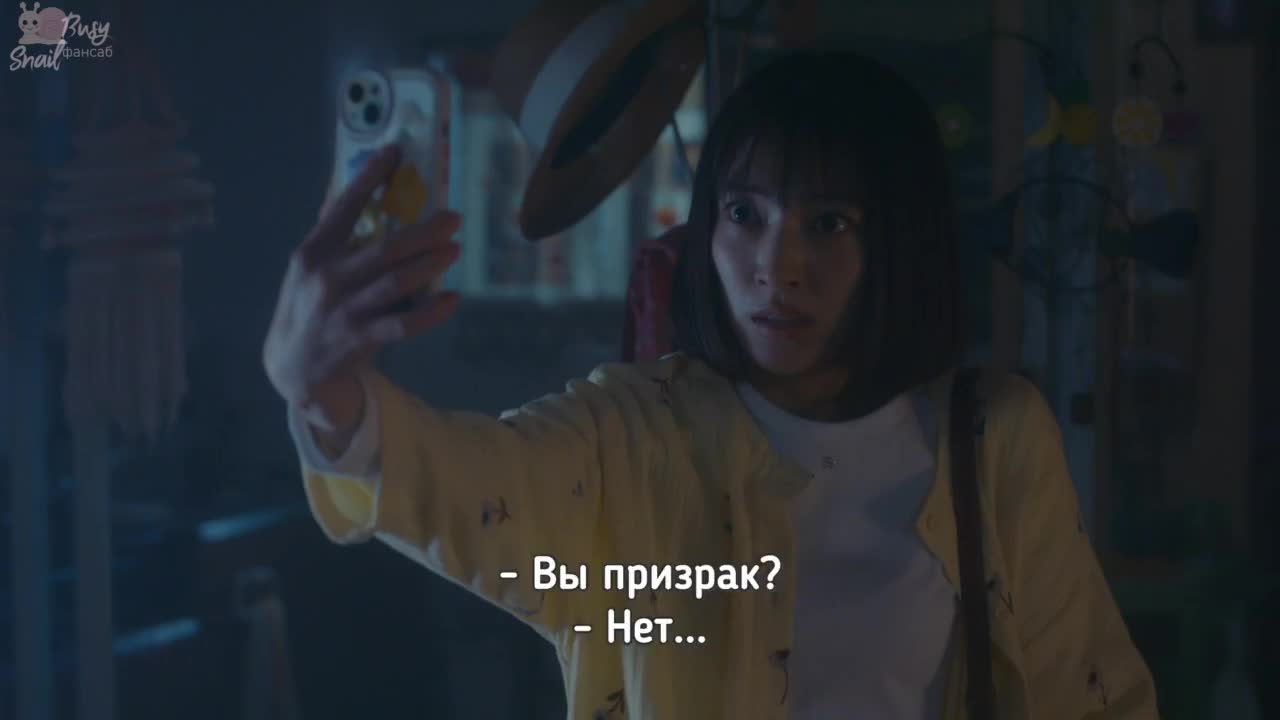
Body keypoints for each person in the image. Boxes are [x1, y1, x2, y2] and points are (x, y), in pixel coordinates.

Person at [263, 51, 1157, 719]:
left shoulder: (991, 439)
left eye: (828, 222)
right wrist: (322, 394)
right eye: (743, 213)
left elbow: (1094, 696)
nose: (777, 265)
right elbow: (474, 487)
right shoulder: (636, 433)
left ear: (899, 240)